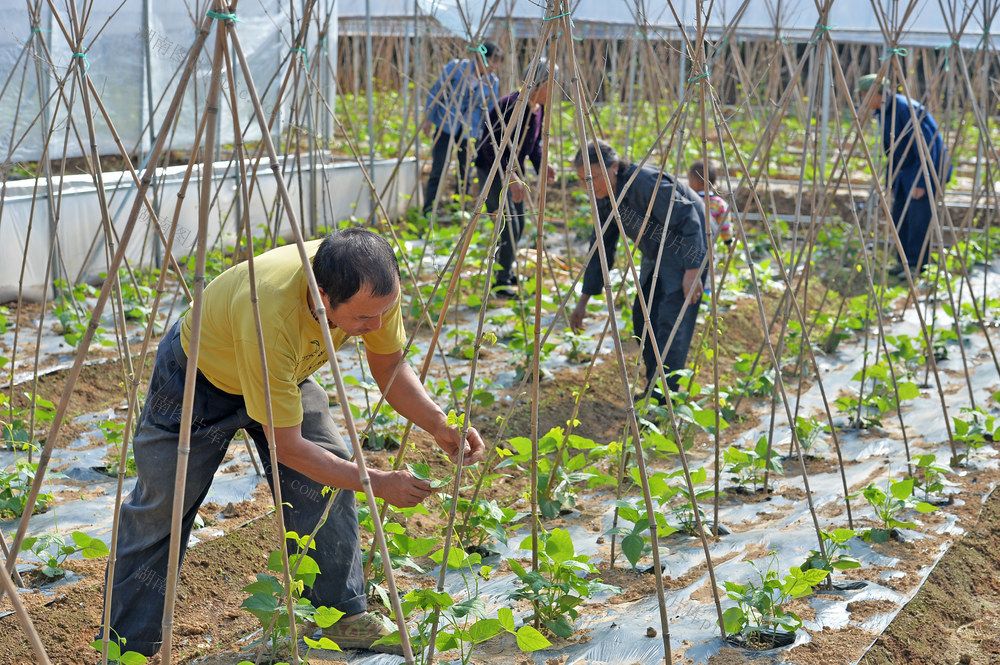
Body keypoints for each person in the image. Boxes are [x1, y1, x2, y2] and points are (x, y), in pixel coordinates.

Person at [103, 228, 485, 656]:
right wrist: (375, 481)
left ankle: (340, 618)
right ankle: (125, 646)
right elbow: (289, 447)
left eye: (384, 312)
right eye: (362, 319)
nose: (375, 326)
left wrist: (437, 422)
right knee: (162, 509)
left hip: (285, 376)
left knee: (331, 476)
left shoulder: (372, 287)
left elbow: (389, 364)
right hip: (199, 380)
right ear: (322, 298)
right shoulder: (269, 313)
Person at [569, 141, 708, 400]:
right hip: (656, 251)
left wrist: (693, 271)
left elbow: (688, 216)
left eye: (594, 177)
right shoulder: (605, 197)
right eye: (583, 180)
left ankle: (664, 399)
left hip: (686, 244)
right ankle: (654, 387)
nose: (589, 185)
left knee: (670, 322)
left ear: (613, 168)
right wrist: (583, 300)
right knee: (643, 318)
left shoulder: (643, 183)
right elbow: (601, 247)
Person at [474, 58, 558, 298]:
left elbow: (533, 147)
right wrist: (509, 178)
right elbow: (490, 146)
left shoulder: (537, 110)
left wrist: (544, 166)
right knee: (507, 225)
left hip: (514, 175)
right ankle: (500, 283)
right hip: (493, 172)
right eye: (550, 84)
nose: (553, 90)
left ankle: (505, 271)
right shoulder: (512, 106)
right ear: (538, 83)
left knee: (518, 225)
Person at [858, 73, 951, 274]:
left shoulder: (904, 108)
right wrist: (891, 180)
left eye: (865, 95)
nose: (864, 100)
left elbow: (926, 146)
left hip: (925, 170)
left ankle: (919, 266)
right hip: (904, 172)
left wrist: (921, 182)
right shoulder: (884, 111)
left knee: (918, 218)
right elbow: (892, 151)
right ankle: (905, 262)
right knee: (900, 215)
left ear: (877, 94)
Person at [422, 42, 503, 216]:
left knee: (465, 171)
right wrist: (428, 118)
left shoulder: (492, 82)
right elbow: (436, 90)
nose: (494, 67)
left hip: (470, 132)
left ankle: (459, 209)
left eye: (497, 63)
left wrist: (486, 135)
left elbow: (490, 111)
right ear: (481, 59)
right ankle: (428, 209)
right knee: (439, 167)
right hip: (446, 125)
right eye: (492, 62)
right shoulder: (457, 68)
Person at [688, 160, 731, 246]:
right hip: (709, 245)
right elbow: (725, 226)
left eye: (689, 179)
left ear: (696, 181)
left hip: (688, 242)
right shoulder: (718, 203)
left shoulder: (688, 199)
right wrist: (728, 242)